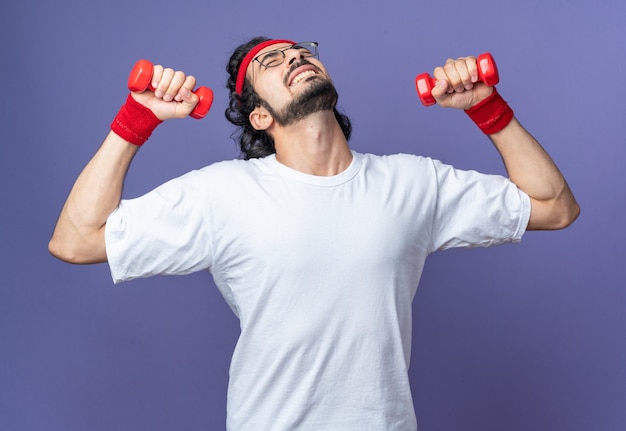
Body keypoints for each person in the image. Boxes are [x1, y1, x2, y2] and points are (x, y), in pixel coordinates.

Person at [49, 37, 580, 430]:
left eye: (301, 51)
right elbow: (76, 240)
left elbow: (555, 206)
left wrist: (487, 108)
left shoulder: (412, 181)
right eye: (271, 62)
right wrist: (136, 118)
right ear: (259, 115)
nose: (296, 59)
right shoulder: (222, 194)